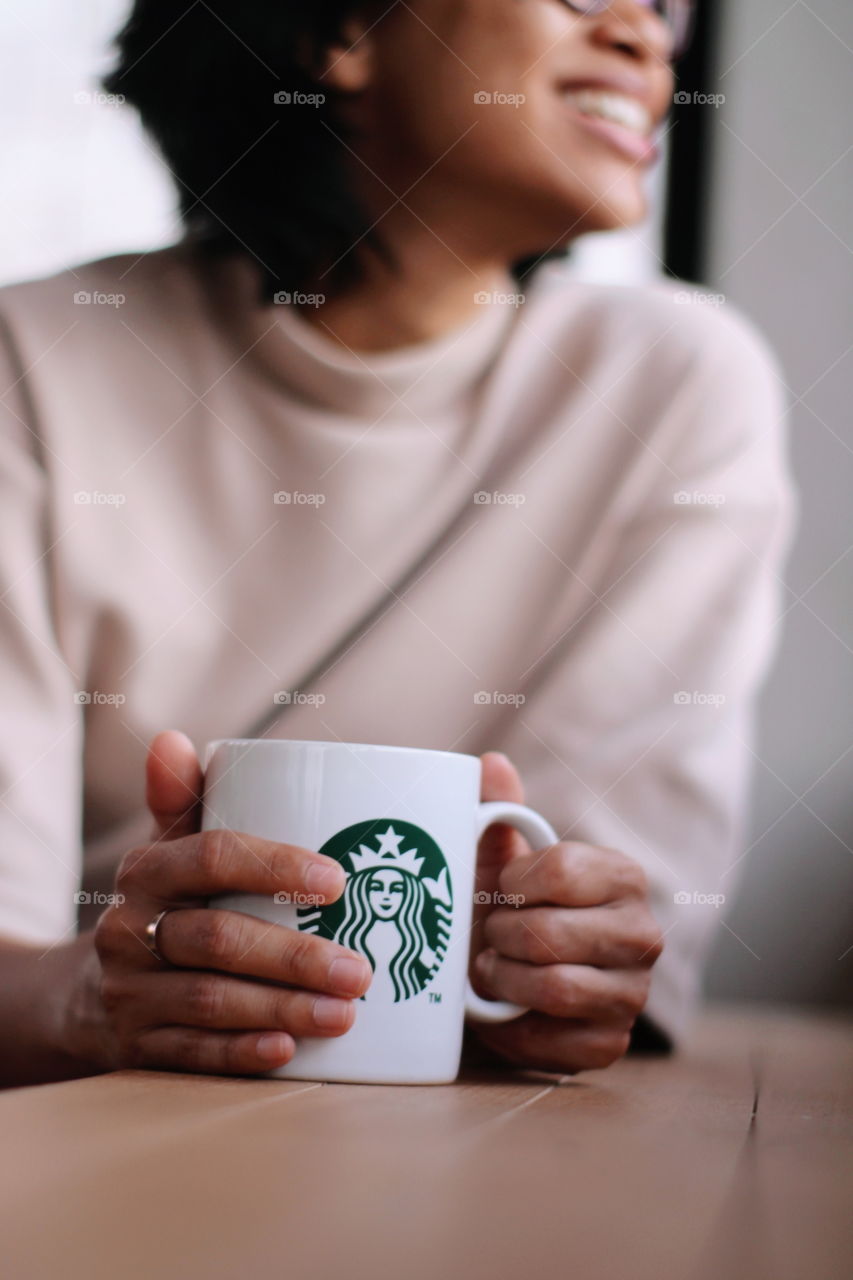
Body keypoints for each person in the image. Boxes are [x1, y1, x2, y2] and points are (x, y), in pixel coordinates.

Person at [0, 0, 796, 1086]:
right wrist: (101, 997)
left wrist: (559, 969)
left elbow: (598, 925)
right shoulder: (34, 361)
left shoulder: (675, 386)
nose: (641, 37)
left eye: (667, 11)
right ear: (341, 30)